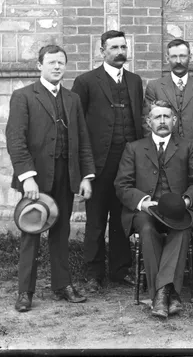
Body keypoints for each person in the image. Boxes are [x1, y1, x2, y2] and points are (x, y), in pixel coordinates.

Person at [6, 44, 96, 312]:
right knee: (31, 232)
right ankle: (25, 291)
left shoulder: (72, 99)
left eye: (61, 63)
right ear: (39, 65)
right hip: (36, 179)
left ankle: (62, 284)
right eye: (52, 62)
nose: (57, 67)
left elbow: (82, 139)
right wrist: (27, 178)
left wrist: (85, 176)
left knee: (61, 231)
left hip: (66, 175)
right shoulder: (23, 96)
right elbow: (15, 140)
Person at [114, 100, 193, 319]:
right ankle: (168, 294)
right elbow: (122, 185)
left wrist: (186, 201)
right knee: (147, 230)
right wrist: (143, 202)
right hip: (146, 210)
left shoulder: (188, 147)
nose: (162, 121)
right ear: (149, 122)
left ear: (174, 121)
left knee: (182, 230)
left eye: (166, 117)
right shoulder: (134, 148)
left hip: (178, 210)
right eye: (157, 117)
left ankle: (160, 294)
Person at [72, 30, 145, 292]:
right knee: (96, 219)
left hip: (128, 162)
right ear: (102, 51)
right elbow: (77, 126)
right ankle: (93, 274)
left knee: (122, 217)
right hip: (99, 162)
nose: (120, 52)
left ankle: (119, 270)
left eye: (123, 47)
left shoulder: (135, 81)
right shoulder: (86, 81)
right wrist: (84, 168)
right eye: (114, 48)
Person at [144, 38, 193, 277]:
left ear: (190, 56)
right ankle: (163, 260)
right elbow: (149, 122)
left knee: (192, 204)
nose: (178, 61)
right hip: (163, 155)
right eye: (174, 56)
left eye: (183, 56)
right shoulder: (154, 86)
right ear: (167, 58)